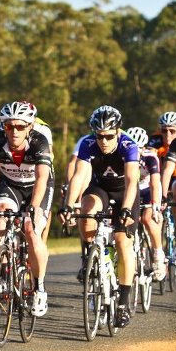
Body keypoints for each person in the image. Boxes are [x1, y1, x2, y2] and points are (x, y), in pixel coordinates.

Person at [59, 105, 139, 328]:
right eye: (99, 136)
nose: (103, 141)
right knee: (86, 209)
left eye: (108, 136)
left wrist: (125, 209)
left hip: (125, 192)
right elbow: (79, 175)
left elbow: (133, 180)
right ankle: (88, 257)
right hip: (100, 189)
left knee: (123, 242)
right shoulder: (87, 144)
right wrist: (68, 205)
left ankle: (123, 302)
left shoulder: (128, 145)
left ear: (118, 132)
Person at [0, 101, 53, 317]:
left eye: (20, 126)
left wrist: (34, 207)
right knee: (0, 216)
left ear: (30, 127)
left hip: (38, 188)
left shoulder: (39, 142)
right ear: (3, 127)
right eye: (9, 126)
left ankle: (40, 288)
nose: (14, 131)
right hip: (10, 186)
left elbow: (43, 177)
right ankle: (2, 272)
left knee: (31, 231)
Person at [125, 127, 166, 281]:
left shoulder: (150, 157)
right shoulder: (124, 155)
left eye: (140, 148)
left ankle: (157, 255)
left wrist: (156, 205)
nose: (137, 151)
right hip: (131, 189)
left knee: (147, 219)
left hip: (147, 189)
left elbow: (156, 183)